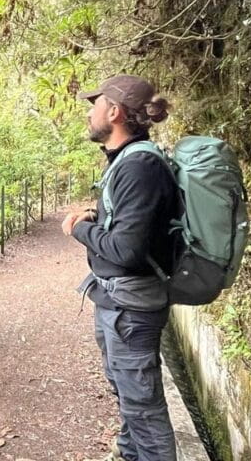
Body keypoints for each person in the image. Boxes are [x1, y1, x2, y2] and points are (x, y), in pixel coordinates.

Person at [63, 75, 178, 461]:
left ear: (113, 112)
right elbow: (135, 222)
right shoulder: (128, 161)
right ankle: (129, 454)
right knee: (129, 394)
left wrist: (81, 229)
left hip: (131, 308)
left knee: (144, 406)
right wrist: (97, 214)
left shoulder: (139, 166)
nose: (89, 113)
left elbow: (127, 249)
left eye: (95, 105)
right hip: (117, 302)